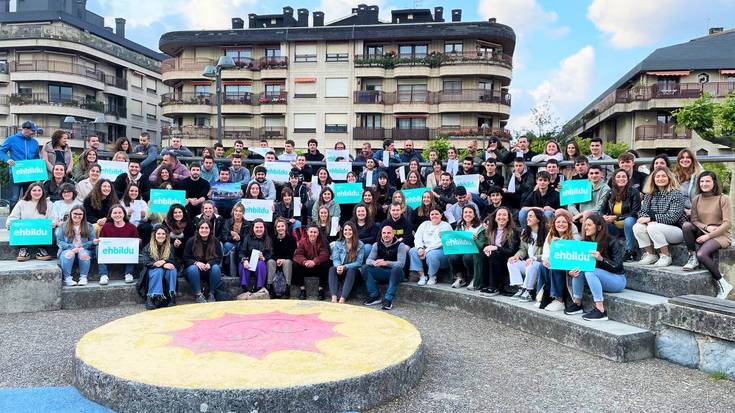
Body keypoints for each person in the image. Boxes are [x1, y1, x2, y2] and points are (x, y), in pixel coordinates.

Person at [565, 214, 627, 321]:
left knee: (590, 271)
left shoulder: (612, 241)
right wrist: (570, 272)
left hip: (617, 280)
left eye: (589, 225)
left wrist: (601, 259)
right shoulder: (585, 243)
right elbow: (575, 262)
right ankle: (577, 304)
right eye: (585, 225)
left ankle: (601, 310)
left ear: (599, 227)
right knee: (578, 270)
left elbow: (618, 267)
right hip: (597, 277)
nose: (585, 228)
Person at [682, 172, 733, 299]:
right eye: (702, 181)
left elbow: (727, 223)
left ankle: (723, 284)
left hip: (721, 234)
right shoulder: (697, 199)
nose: (704, 184)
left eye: (707, 181)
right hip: (704, 230)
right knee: (686, 226)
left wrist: (709, 236)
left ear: (714, 183)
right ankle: (692, 256)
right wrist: (706, 228)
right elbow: (694, 220)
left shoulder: (723, 198)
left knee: (702, 254)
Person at [633, 167, 686, 267]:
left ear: (669, 178)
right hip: (655, 227)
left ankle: (666, 256)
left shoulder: (676, 194)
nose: (660, 178)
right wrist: (648, 220)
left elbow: (672, 217)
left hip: (676, 231)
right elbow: (642, 212)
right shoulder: (649, 195)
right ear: (653, 179)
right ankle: (651, 254)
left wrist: (652, 219)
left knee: (653, 227)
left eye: (663, 176)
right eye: (657, 176)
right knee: (637, 227)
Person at [538, 209, 579, 311]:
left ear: (569, 224)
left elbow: (574, 256)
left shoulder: (574, 236)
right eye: (558, 222)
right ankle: (546, 295)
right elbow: (546, 251)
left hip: (568, 267)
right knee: (542, 265)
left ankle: (559, 300)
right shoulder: (551, 234)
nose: (561, 224)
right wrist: (546, 259)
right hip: (557, 265)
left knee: (556, 264)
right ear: (554, 224)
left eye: (564, 222)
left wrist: (560, 243)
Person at [361, 225, 409, 310]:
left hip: (397, 274)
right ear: (381, 234)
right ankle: (375, 296)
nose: (386, 235)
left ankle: (388, 299)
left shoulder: (400, 245)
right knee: (365, 268)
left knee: (396, 269)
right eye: (384, 233)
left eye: (388, 233)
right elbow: (368, 260)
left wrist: (386, 263)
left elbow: (401, 264)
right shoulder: (377, 244)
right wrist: (374, 262)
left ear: (393, 234)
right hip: (383, 273)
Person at [6, 182, 55, 261]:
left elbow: (52, 218)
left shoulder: (49, 204)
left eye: (39, 190)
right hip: (26, 231)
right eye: (34, 190)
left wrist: (53, 223)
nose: (37, 192)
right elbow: (13, 217)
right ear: (29, 192)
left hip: (41, 231)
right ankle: (23, 249)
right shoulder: (22, 203)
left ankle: (41, 249)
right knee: (16, 226)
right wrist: (10, 224)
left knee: (49, 228)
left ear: (43, 192)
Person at [601, 168, 641, 261]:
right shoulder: (610, 192)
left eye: (624, 176)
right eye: (618, 177)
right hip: (615, 228)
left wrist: (615, 217)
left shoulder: (634, 192)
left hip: (629, 227)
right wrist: (604, 216)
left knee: (629, 220)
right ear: (614, 179)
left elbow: (635, 212)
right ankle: (603, 251)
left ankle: (629, 251)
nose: (621, 179)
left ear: (628, 179)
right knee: (600, 221)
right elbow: (601, 210)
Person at [507, 209, 547, 300]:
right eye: (527, 216)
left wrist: (534, 258)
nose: (528, 218)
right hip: (529, 264)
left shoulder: (547, 233)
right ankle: (521, 288)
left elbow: (547, 253)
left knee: (532, 264)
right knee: (511, 262)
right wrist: (516, 256)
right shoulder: (525, 232)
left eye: (531, 216)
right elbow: (523, 249)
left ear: (538, 219)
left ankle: (529, 291)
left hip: (540, 264)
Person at [479, 207, 520, 295]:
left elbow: (511, 251)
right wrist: (487, 249)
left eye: (504, 215)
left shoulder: (513, 232)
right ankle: (485, 285)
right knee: (484, 255)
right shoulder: (491, 230)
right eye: (499, 215)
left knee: (494, 255)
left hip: (507, 259)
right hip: (494, 258)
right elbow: (487, 245)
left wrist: (496, 248)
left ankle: (494, 287)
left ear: (508, 218)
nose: (501, 217)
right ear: (495, 218)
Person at [1, 121, 42, 207]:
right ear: (25, 129)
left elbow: (36, 157)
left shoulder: (35, 142)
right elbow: (1, 151)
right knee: (14, 198)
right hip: (16, 173)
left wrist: (39, 168)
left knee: (29, 198)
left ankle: (26, 216)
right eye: (33, 131)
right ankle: (12, 216)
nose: (34, 133)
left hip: (30, 173)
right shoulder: (11, 139)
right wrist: (7, 160)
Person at [183, 220, 223, 303]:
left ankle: (211, 294)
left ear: (210, 229)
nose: (204, 230)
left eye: (206, 228)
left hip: (209, 269)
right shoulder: (191, 241)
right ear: (198, 229)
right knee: (193, 268)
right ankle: (198, 295)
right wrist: (196, 263)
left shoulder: (215, 241)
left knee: (216, 268)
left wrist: (210, 264)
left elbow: (219, 258)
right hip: (194, 271)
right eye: (201, 228)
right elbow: (185, 258)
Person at [97, 205, 138, 285]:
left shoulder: (132, 227)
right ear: (111, 215)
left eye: (120, 212)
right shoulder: (106, 227)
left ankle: (128, 273)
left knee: (133, 248)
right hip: (110, 252)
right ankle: (103, 275)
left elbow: (136, 243)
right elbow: (103, 242)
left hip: (125, 253)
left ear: (124, 214)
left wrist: (138, 241)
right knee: (98, 247)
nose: (117, 215)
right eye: (115, 213)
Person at [410, 208, 453, 285]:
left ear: (441, 215)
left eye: (436, 214)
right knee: (413, 251)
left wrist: (426, 251)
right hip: (425, 248)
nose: (434, 216)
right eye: (432, 214)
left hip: (441, 250)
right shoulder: (424, 224)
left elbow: (440, 242)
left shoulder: (446, 226)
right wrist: (420, 248)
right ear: (429, 216)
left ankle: (432, 276)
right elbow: (417, 237)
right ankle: (422, 276)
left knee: (432, 254)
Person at [56, 205, 97, 286]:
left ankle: (83, 277)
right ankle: (67, 278)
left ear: (83, 215)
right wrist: (72, 248)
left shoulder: (89, 226)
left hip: (83, 250)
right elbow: (60, 242)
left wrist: (82, 247)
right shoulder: (63, 225)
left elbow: (92, 241)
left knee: (83, 254)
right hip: (68, 250)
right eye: (75, 213)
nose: (77, 216)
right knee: (68, 254)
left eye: (80, 214)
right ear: (71, 213)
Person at [140, 225, 178, 310]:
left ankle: (171, 295)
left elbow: (173, 261)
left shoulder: (170, 247)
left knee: (172, 270)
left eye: (163, 234)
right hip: (152, 271)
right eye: (159, 233)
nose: (161, 236)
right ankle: (151, 297)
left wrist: (164, 262)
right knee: (158, 271)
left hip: (166, 271)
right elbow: (145, 261)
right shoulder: (148, 247)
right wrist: (161, 264)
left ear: (166, 235)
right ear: (154, 235)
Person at [449, 205, 485, 289]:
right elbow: (454, 239)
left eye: (470, 212)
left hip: (476, 251)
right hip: (461, 249)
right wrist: (445, 236)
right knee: (452, 256)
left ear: (474, 215)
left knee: (467, 256)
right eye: (465, 212)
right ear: (462, 214)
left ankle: (474, 278)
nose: (467, 214)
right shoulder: (459, 225)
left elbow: (481, 245)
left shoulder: (481, 227)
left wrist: (475, 240)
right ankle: (460, 278)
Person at [328, 221, 365, 303]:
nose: (347, 232)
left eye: (350, 230)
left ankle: (342, 298)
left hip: (354, 272)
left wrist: (345, 267)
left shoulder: (360, 244)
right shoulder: (338, 243)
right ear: (342, 231)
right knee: (332, 269)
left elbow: (359, 262)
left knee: (351, 270)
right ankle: (334, 297)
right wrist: (338, 266)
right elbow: (335, 258)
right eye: (345, 230)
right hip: (341, 269)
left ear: (354, 231)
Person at [293, 224, 331, 300]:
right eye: (311, 232)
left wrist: (314, 262)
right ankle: (302, 289)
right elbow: (297, 255)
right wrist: (304, 261)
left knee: (326, 264)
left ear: (318, 233)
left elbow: (325, 255)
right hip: (306, 267)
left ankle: (321, 290)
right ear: (307, 232)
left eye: (315, 232)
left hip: (318, 267)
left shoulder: (323, 242)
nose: (313, 234)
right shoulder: (302, 242)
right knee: (296, 264)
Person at [238, 219, 272, 292]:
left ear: (264, 228)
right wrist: (244, 260)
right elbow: (241, 252)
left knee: (260, 264)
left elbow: (270, 253)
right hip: (249, 261)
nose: (259, 229)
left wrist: (264, 257)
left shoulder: (268, 239)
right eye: (256, 227)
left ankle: (259, 287)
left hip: (260, 263)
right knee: (242, 264)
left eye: (261, 227)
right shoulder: (247, 238)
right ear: (253, 228)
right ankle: (245, 288)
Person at [268, 217, 296, 298]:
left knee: (287, 262)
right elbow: (270, 252)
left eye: (282, 226)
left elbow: (292, 253)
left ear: (286, 227)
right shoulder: (271, 238)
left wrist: (283, 259)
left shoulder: (291, 239)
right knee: (270, 262)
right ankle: (270, 287)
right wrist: (276, 259)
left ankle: (287, 288)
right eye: (278, 226)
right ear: (275, 228)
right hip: (275, 260)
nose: (280, 228)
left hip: (287, 261)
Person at [221, 203, 249, 276]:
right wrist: (233, 238)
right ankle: (230, 271)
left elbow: (247, 238)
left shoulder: (247, 224)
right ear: (233, 211)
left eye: (240, 211)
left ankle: (231, 271)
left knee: (237, 248)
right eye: (236, 211)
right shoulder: (227, 222)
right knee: (228, 245)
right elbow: (224, 237)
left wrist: (239, 237)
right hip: (230, 244)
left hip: (241, 244)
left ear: (243, 213)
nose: (238, 213)